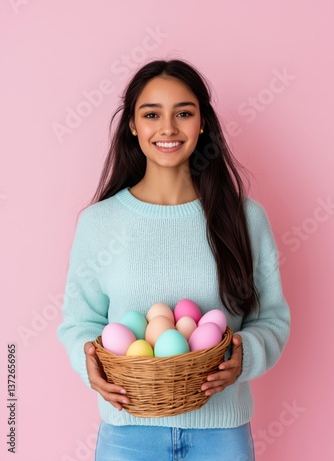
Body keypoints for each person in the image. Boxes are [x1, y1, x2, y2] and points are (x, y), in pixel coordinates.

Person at [57, 59, 290, 460]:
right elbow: (80, 322)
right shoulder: (100, 223)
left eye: (184, 112)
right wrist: (90, 367)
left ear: (202, 123)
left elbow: (272, 318)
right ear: (133, 125)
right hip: (127, 434)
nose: (168, 128)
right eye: (152, 114)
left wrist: (243, 356)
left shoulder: (245, 217)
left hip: (222, 434)